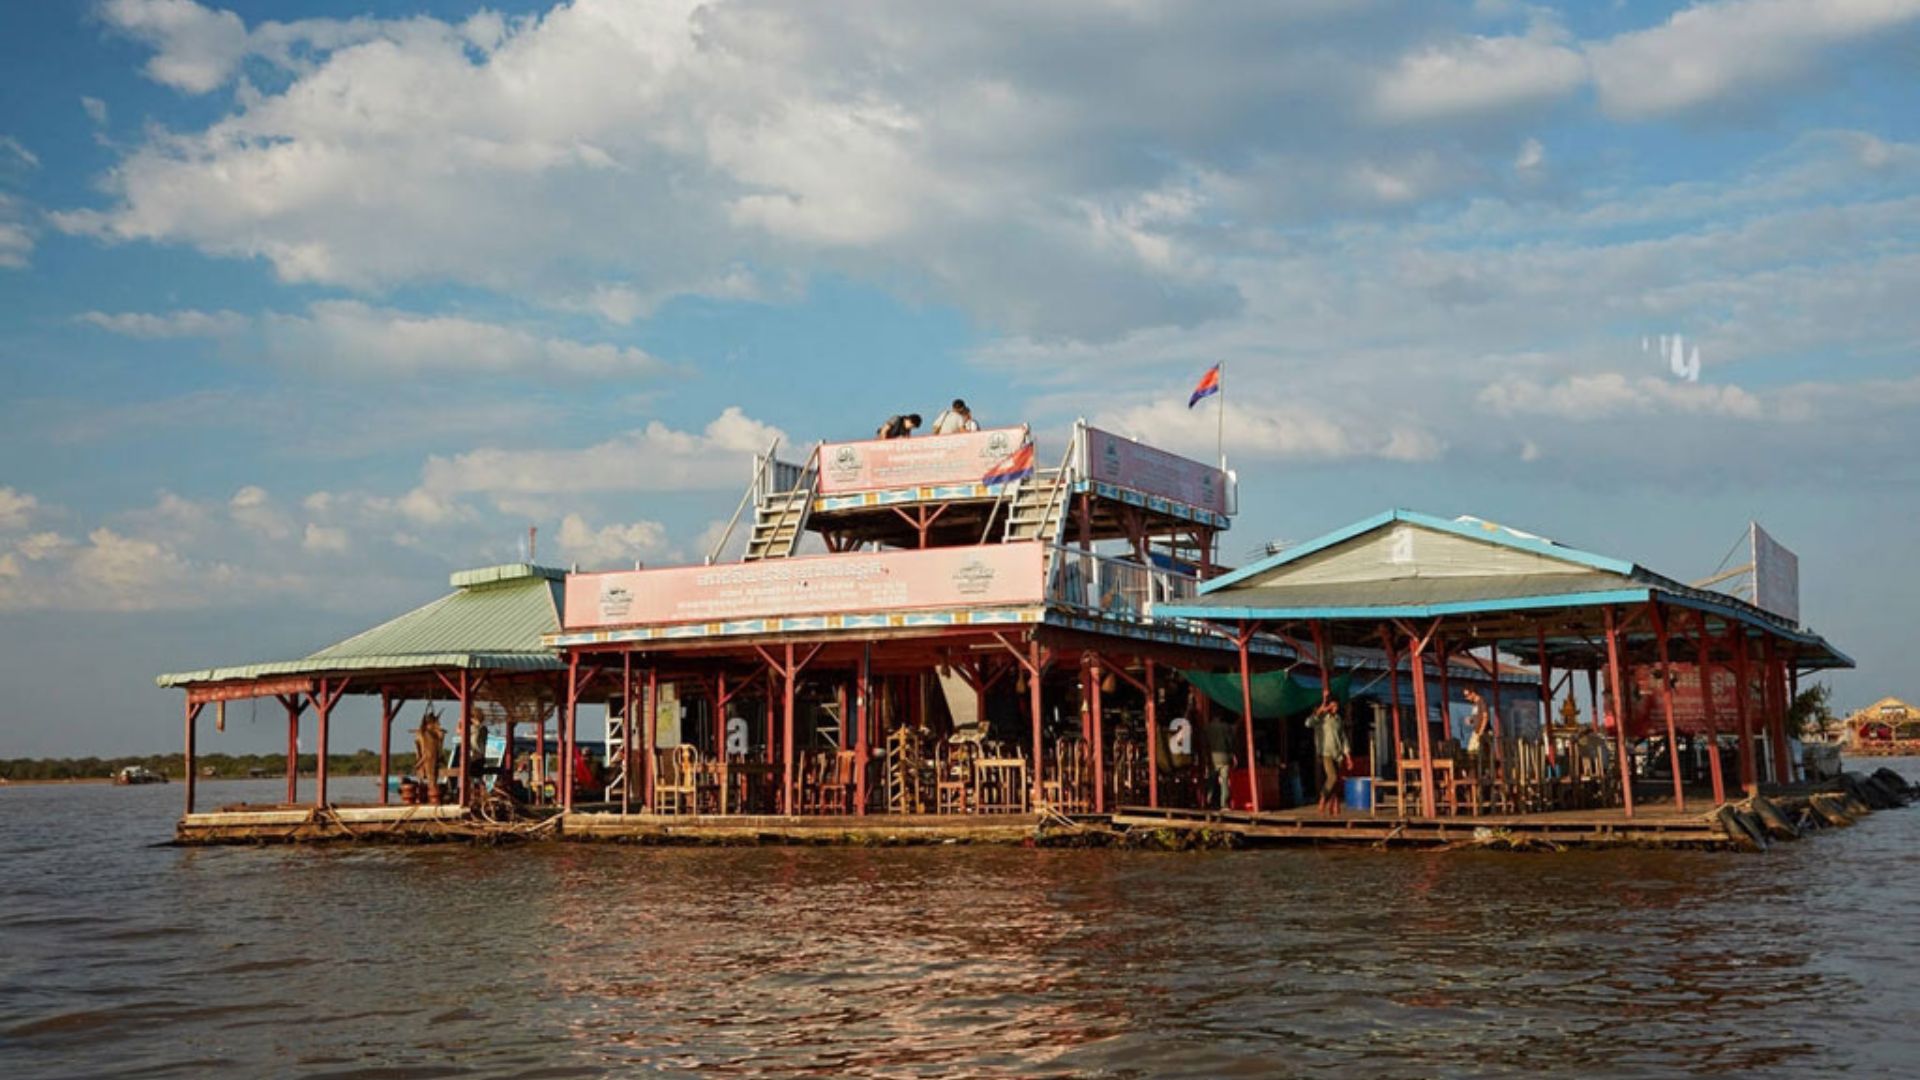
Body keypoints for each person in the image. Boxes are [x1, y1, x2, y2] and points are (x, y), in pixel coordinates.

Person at [1306, 700, 1352, 815]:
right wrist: (1322, 710)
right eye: (1333, 705)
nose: (1335, 707)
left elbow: (1343, 738)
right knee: (1333, 777)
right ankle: (1323, 799)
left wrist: (1348, 757)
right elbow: (1308, 723)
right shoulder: (1321, 718)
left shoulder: (1338, 719)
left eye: (1336, 705)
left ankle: (1334, 805)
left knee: (1336, 782)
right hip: (1326, 752)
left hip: (1338, 754)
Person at [413, 712, 445, 805]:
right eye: (437, 723)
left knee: (433, 781)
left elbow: (439, 750)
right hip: (427, 760)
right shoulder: (424, 734)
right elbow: (427, 752)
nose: (439, 725)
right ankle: (430, 798)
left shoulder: (434, 735)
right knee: (430, 781)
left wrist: (441, 738)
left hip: (433, 760)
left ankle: (433, 797)